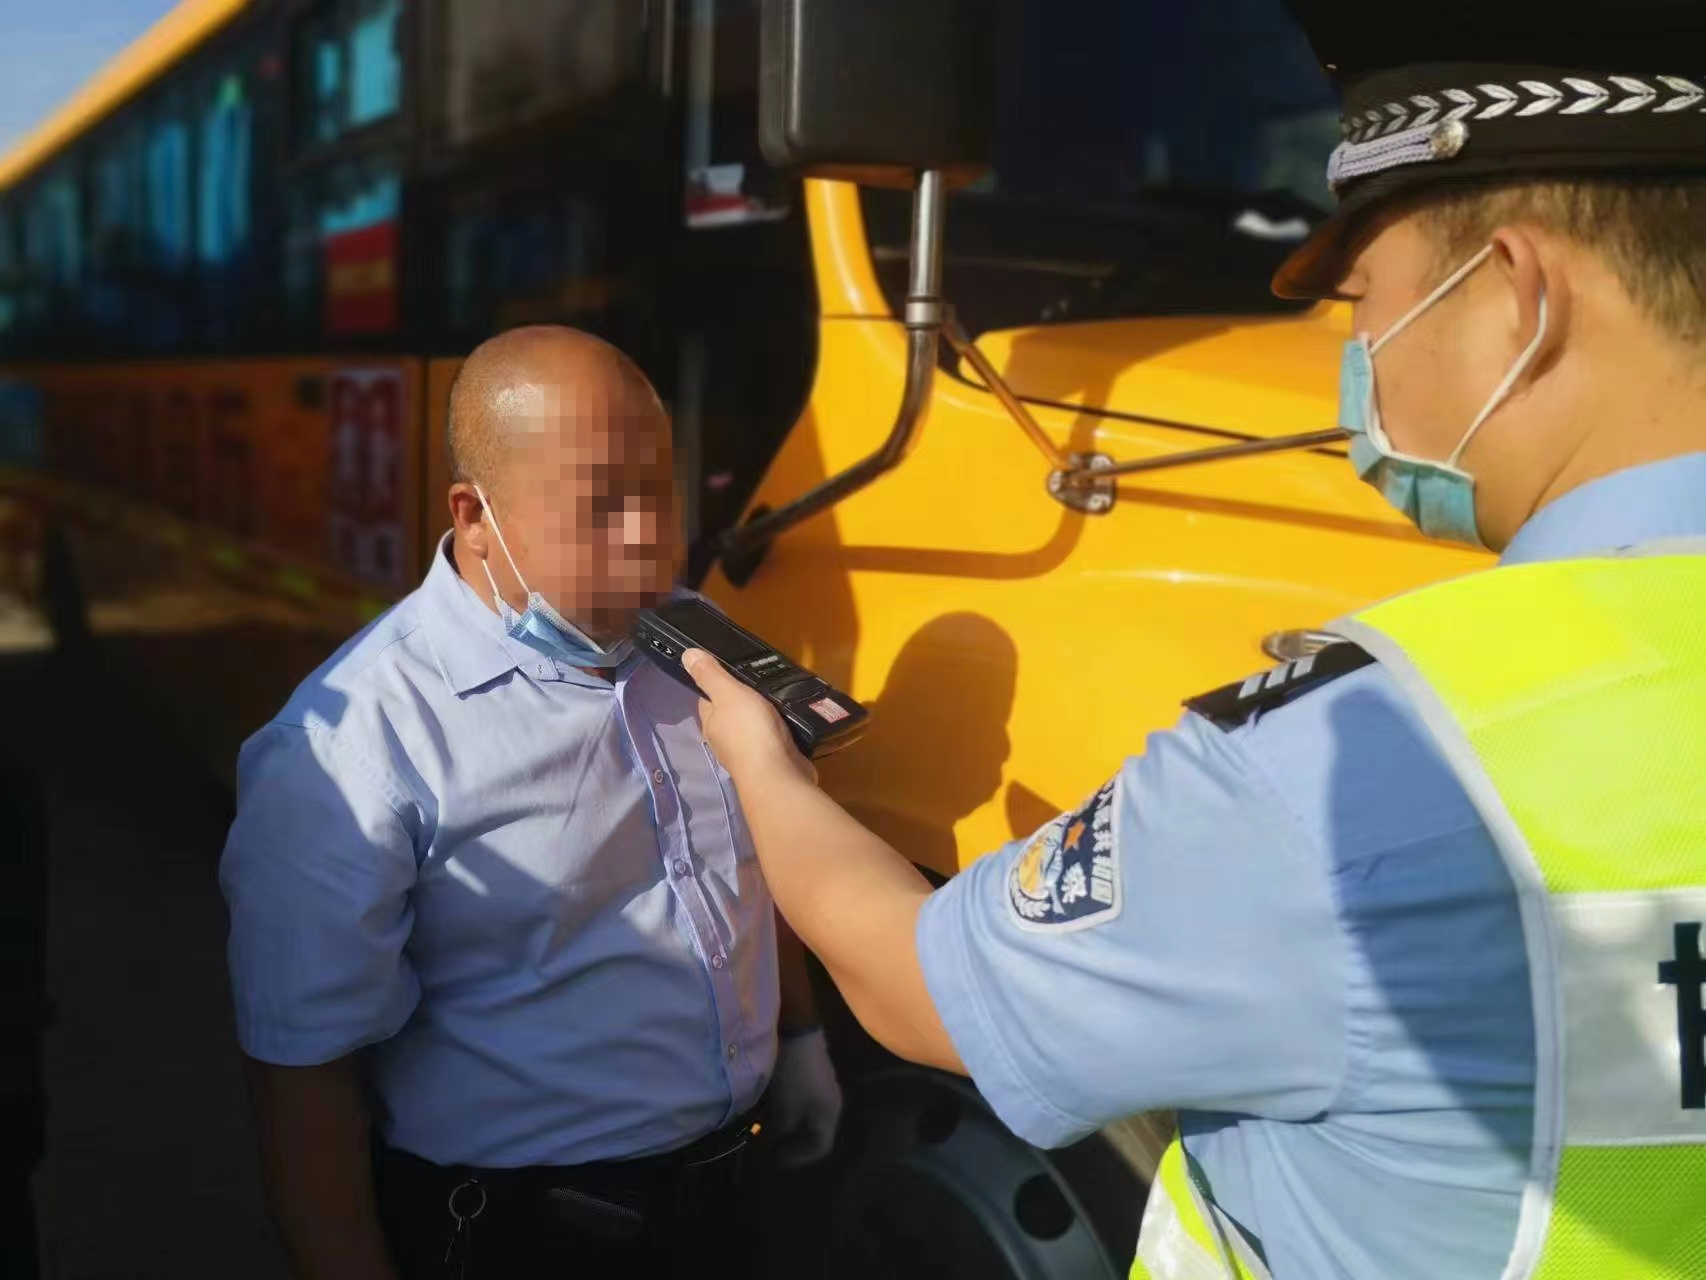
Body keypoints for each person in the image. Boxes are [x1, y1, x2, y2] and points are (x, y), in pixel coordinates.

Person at [682, 4, 1706, 1277]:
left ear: (1513, 296)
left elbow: (921, 986)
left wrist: (760, 766)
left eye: (1361, 301)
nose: (1354, 359)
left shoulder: (1344, 765)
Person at [219, 326, 841, 1279]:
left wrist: (797, 1035)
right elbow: (306, 1081)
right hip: (524, 1234)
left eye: (659, 490)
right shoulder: (348, 754)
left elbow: (750, 853)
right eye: (600, 505)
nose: (646, 538)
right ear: (476, 516)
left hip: (729, 1192)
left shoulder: (695, 644)